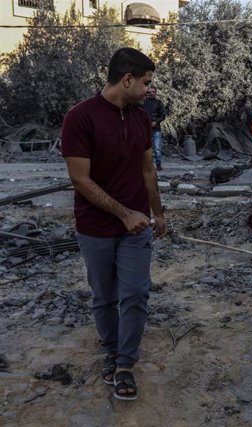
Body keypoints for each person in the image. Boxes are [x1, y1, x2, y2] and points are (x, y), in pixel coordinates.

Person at [61, 47, 166, 401]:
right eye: (147, 83)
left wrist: (158, 212)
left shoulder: (141, 118)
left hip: (136, 226)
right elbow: (81, 180)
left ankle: (124, 362)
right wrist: (124, 213)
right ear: (127, 79)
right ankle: (110, 350)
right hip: (95, 226)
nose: (150, 89)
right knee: (104, 297)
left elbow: (148, 169)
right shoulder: (80, 118)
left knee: (135, 292)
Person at [143, 85, 166, 170]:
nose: (151, 93)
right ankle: (146, 165)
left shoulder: (159, 103)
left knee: (157, 148)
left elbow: (163, 115)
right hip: (145, 129)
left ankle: (158, 165)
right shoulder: (144, 102)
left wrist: (156, 122)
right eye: (150, 92)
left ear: (155, 92)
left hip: (156, 129)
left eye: (153, 92)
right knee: (145, 148)